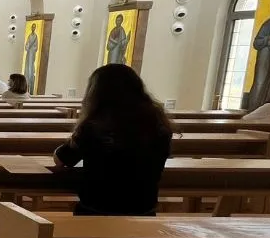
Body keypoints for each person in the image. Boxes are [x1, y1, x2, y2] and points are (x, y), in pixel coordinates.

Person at [53, 64, 173, 216]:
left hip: (96, 212)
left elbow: (62, 159)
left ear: (96, 94)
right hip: (144, 212)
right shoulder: (158, 127)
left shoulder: (93, 127)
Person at [24, 23, 38, 94]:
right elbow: (26, 44)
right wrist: (28, 47)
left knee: (31, 68)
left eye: (34, 27)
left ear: (35, 28)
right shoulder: (29, 36)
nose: (33, 28)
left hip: (32, 54)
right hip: (29, 53)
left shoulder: (36, 36)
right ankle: (26, 83)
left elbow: (36, 46)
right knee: (27, 68)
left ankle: (31, 85)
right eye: (32, 27)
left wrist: (33, 49)